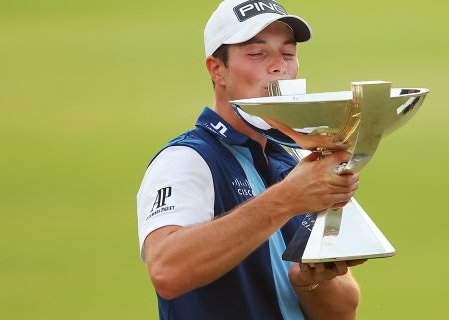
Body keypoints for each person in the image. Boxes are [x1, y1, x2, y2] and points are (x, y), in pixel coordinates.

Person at [136, 0, 367, 319]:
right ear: (217, 69)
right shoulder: (187, 159)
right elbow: (166, 271)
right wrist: (286, 199)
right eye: (257, 53)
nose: (278, 67)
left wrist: (307, 283)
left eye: (288, 53)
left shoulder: (298, 160)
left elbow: (343, 312)